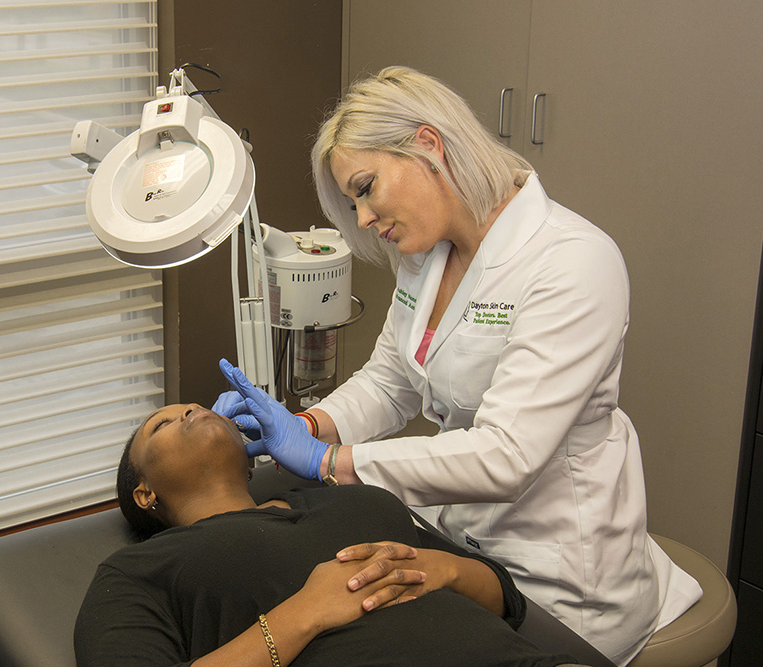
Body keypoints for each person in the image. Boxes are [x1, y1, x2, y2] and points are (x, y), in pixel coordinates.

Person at [212, 66, 702, 665]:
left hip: (560, 573)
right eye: (352, 200)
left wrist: (329, 462)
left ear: (427, 145)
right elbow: (390, 383)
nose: (362, 218)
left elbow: (507, 456)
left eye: (366, 187)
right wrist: (305, 426)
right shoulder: (426, 255)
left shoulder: (574, 262)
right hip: (455, 537)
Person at [74, 403, 584, 667]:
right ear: (144, 494)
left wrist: (443, 569)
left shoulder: (355, 497)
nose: (190, 411)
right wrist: (306, 612)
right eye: (163, 424)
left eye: (194, 408)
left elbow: (506, 601)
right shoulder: (138, 572)